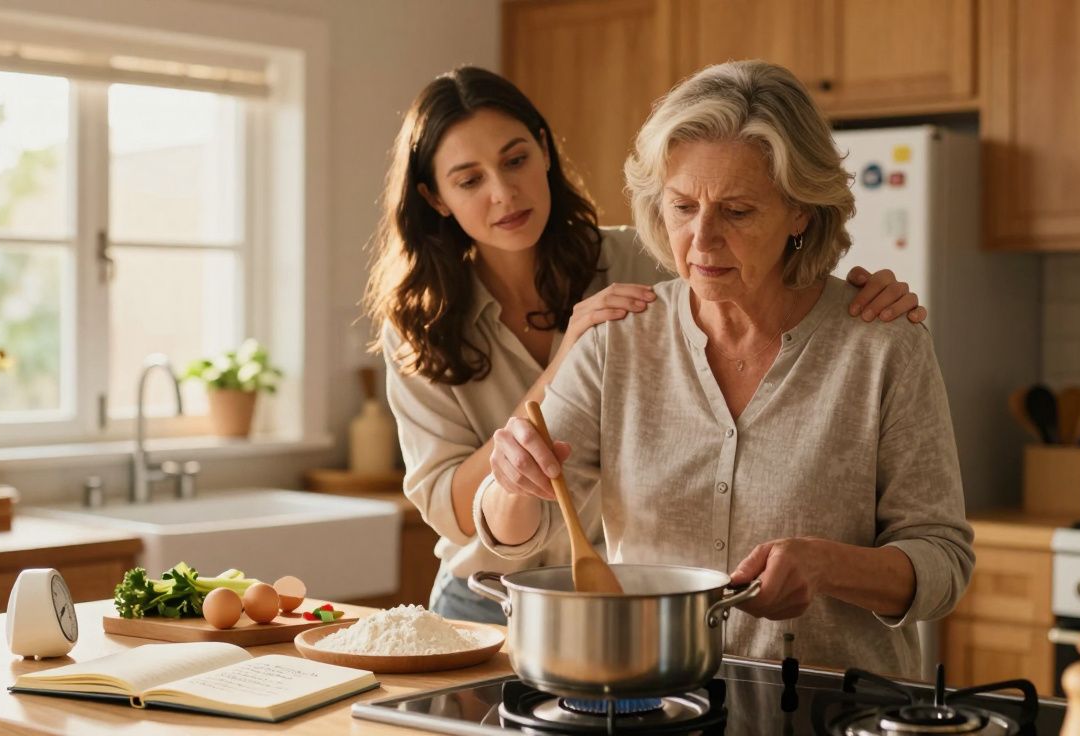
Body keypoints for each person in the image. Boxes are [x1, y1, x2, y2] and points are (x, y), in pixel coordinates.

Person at [363, 66, 930, 626]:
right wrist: (555, 383)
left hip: (618, 600)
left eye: (515, 160)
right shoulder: (426, 324)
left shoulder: (639, 260)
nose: (504, 192)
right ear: (435, 197)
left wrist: (868, 305)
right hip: (488, 590)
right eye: (469, 180)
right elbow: (463, 512)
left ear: (544, 150)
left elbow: (768, 276)